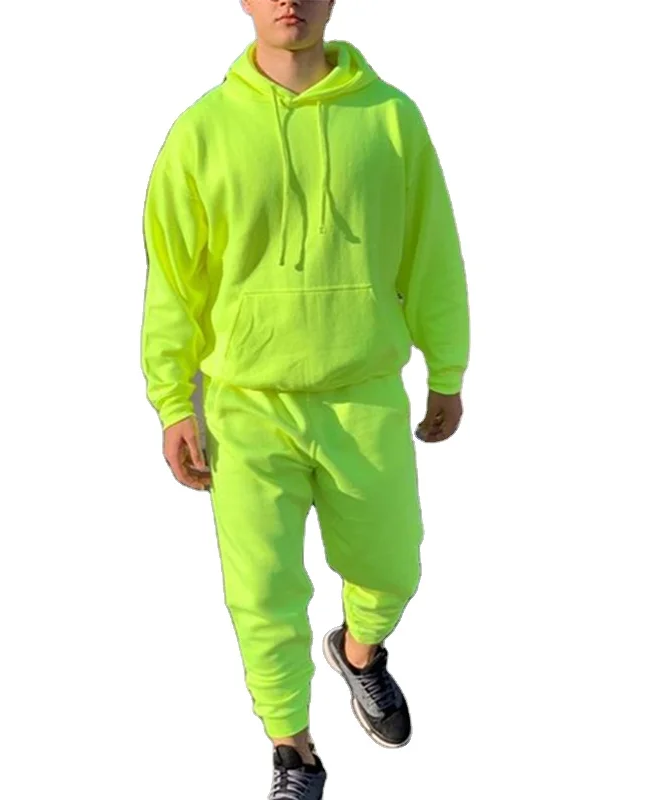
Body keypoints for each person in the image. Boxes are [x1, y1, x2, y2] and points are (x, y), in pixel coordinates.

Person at [140, 1, 469, 797]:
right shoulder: (201, 132)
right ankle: (293, 748)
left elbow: (431, 250)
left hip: (363, 391)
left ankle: (360, 652)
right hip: (246, 402)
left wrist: (448, 367)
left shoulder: (390, 119)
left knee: (392, 567)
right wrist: (172, 400)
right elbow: (174, 280)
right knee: (262, 593)